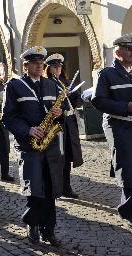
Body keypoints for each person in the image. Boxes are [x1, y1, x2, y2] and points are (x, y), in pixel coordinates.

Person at [91, 33, 132, 233]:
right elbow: (98, 101)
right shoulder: (107, 74)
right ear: (118, 52)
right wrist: (125, 106)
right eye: (129, 49)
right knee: (129, 167)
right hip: (117, 124)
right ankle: (128, 212)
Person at [2, 46, 63, 246]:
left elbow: (57, 111)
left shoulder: (51, 85)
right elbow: (8, 118)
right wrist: (28, 130)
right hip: (29, 144)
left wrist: (57, 114)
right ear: (25, 65)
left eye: (41, 63)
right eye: (35, 63)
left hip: (50, 144)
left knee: (51, 189)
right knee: (35, 189)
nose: (40, 66)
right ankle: (32, 223)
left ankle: (50, 230)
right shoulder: (14, 86)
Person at [45, 54, 83, 198]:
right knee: (57, 157)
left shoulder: (65, 82)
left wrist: (72, 95)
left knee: (67, 156)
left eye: (60, 66)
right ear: (49, 69)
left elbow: (77, 102)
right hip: (56, 124)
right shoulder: (47, 83)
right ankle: (56, 187)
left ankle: (66, 187)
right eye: (55, 67)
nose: (58, 69)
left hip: (69, 124)